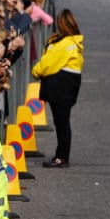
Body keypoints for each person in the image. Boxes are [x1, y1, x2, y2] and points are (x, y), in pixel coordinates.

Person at [32, 9, 83, 168]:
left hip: (60, 85)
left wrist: (35, 71)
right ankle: (61, 155)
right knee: (63, 122)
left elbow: (48, 63)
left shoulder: (63, 43)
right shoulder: (73, 42)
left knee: (61, 123)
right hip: (69, 84)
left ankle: (61, 157)